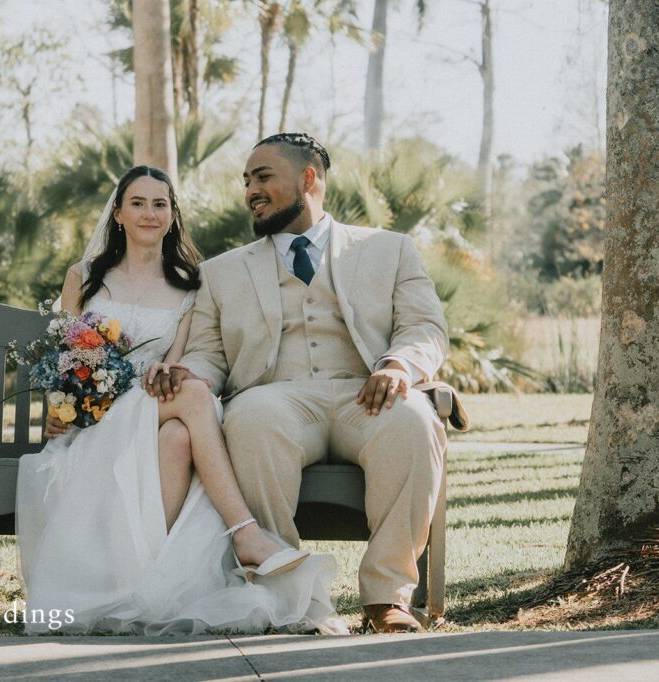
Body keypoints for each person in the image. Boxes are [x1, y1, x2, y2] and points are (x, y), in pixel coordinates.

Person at [16, 165, 339, 635]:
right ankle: (246, 534)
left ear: (172, 216)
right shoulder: (84, 278)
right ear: (119, 215)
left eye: (160, 204)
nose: (150, 213)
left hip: (158, 407)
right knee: (191, 400)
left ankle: (148, 581)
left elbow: (180, 366)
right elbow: (66, 360)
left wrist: (167, 379)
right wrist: (60, 407)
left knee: (178, 439)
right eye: (138, 203)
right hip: (98, 422)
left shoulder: (189, 285)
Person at [146, 133, 450, 633]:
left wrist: (397, 366)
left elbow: (426, 327)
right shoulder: (221, 273)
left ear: (308, 179)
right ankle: (287, 595)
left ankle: (386, 597)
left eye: (263, 177)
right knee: (251, 419)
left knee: (415, 420)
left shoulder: (390, 250)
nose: (250, 190)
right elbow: (208, 354)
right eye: (246, 181)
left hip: (366, 393)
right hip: (276, 396)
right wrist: (188, 374)